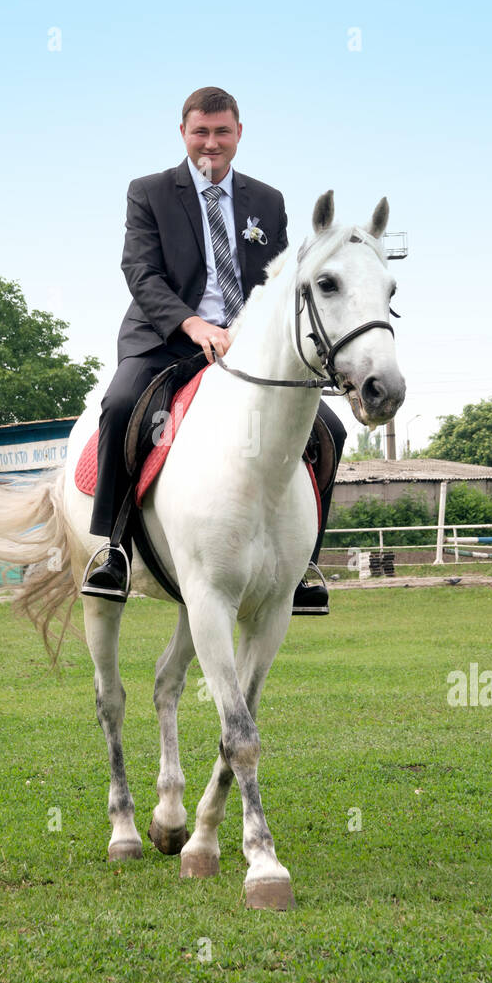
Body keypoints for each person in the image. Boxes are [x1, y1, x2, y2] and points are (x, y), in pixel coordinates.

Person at [82, 86, 346, 611]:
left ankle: (304, 564)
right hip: (165, 339)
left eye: (221, 132)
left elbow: (280, 282)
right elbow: (140, 271)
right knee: (118, 406)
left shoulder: (266, 202)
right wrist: (192, 324)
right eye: (200, 132)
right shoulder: (150, 191)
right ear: (183, 133)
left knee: (330, 430)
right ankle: (113, 550)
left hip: (247, 349)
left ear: (238, 134)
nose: (211, 143)